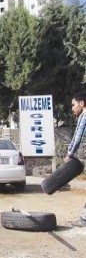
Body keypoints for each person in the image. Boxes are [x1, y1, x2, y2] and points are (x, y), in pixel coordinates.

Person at [66, 92, 86, 227]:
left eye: (73, 105)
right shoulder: (82, 116)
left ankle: (84, 219)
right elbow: (75, 137)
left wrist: (70, 153)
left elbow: (78, 137)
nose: (72, 108)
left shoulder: (85, 116)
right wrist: (70, 151)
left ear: (82, 103)